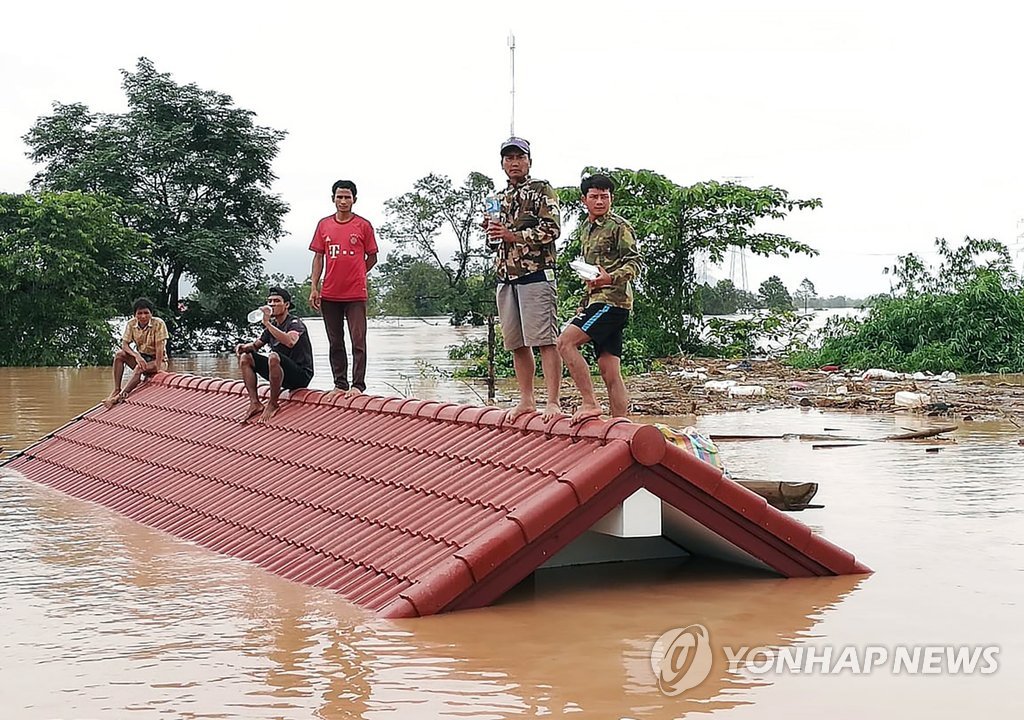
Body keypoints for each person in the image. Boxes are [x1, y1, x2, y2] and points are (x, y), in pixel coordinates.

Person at [486, 136, 563, 420]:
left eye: (519, 157)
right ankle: (527, 399)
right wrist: (492, 232)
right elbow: (493, 244)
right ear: (502, 163)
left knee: (545, 340)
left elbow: (552, 230)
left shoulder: (542, 190)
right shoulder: (497, 198)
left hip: (536, 274)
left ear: (529, 161)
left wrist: (513, 235)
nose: (514, 162)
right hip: (505, 277)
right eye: (509, 158)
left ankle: (553, 401)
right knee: (516, 343)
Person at [556, 174, 641, 423]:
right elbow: (590, 271)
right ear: (584, 200)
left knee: (565, 343)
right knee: (609, 369)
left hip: (612, 302)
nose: (600, 201)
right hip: (596, 301)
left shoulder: (619, 226)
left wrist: (610, 278)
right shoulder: (586, 229)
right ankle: (620, 424)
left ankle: (590, 403)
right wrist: (585, 299)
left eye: (605, 196)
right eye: (594, 196)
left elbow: (635, 262)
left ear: (611, 198)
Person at [308, 180, 378, 396]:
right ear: (333, 199)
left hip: (355, 293)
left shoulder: (363, 225)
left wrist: (358, 273)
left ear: (354, 200)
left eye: (347, 197)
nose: (343, 201)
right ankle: (340, 384)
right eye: (340, 197)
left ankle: (358, 385)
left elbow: (372, 256)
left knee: (358, 340)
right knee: (335, 341)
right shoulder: (324, 225)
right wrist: (314, 286)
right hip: (330, 293)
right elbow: (318, 257)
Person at [235, 287, 315, 422]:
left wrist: (267, 324)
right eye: (270, 301)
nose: (272, 304)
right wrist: (243, 347)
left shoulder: (295, 323)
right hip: (280, 372)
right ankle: (255, 403)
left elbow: (290, 341)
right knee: (246, 357)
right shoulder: (271, 327)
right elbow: (256, 346)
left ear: (287, 305)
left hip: (300, 375)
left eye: (277, 301)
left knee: (273, 356)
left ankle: (273, 404)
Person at [103, 297, 168, 409]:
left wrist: (158, 369)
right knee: (119, 355)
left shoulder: (159, 324)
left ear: (151, 314)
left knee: (139, 368)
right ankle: (116, 389)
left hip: (158, 360)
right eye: (140, 313)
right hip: (141, 358)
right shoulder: (131, 324)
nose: (143, 316)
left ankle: (119, 397)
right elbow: (125, 345)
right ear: (135, 315)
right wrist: (136, 355)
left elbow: (159, 349)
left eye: (146, 313)